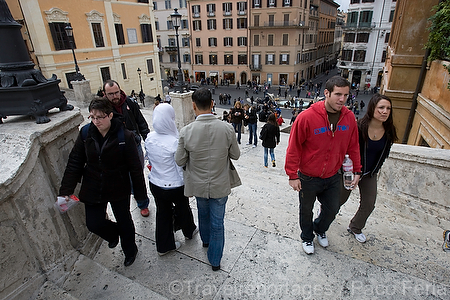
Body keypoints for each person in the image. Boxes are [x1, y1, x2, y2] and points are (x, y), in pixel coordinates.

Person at [59, 98, 146, 266]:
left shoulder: (124, 136)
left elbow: (135, 169)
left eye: (100, 117)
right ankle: (113, 234)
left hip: (118, 185)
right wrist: (66, 190)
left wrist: (140, 195)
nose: (96, 121)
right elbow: (75, 160)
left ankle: (130, 250)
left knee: (124, 220)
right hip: (93, 185)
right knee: (94, 223)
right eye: (92, 117)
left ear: (110, 115)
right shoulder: (85, 134)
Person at [285, 76, 361, 255]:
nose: (342, 99)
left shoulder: (349, 118)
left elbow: (353, 146)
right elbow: (293, 147)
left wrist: (357, 170)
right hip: (308, 176)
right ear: (326, 93)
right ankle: (306, 237)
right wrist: (292, 175)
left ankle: (319, 228)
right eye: (338, 94)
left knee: (333, 209)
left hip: (333, 175)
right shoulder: (307, 117)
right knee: (306, 210)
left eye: (346, 95)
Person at [175, 88, 241, 271]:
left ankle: (205, 241)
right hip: (220, 184)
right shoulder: (227, 128)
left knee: (202, 214)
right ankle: (215, 260)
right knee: (217, 222)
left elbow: (179, 160)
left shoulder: (186, 131)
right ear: (212, 104)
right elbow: (235, 155)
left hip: (198, 185)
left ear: (193, 106)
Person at [339, 94, 398, 243]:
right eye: (381, 108)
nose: (385, 111)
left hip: (370, 173)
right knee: (339, 199)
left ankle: (355, 227)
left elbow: (384, 153)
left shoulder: (389, 131)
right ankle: (324, 213)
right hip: (350, 171)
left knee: (369, 204)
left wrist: (375, 169)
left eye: (388, 108)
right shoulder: (359, 127)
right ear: (372, 108)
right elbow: (346, 149)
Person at [145, 103, 198, 255]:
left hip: (155, 183)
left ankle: (164, 246)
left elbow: (149, 159)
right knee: (183, 209)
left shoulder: (149, 138)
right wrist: (189, 186)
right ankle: (189, 231)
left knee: (162, 214)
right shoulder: (174, 142)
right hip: (174, 186)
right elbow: (180, 168)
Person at [103, 80, 151, 217]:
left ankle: (142, 203)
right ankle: (130, 194)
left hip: (134, 145)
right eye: (110, 94)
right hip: (115, 149)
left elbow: (141, 122)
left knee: (138, 175)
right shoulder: (103, 108)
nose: (115, 96)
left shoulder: (130, 103)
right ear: (105, 94)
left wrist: (147, 140)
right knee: (123, 176)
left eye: (116, 92)